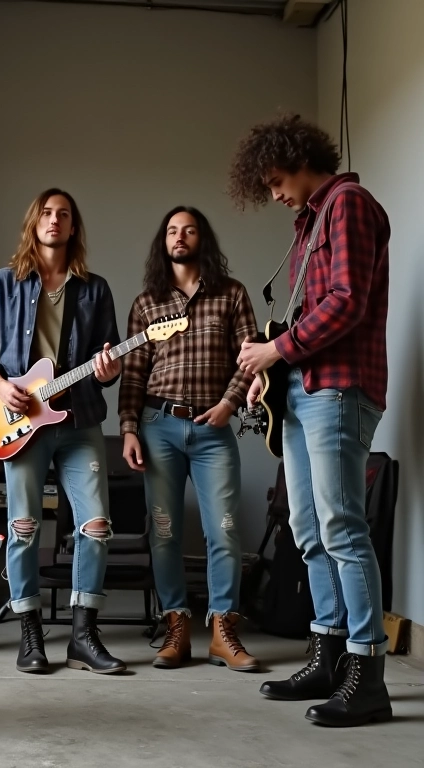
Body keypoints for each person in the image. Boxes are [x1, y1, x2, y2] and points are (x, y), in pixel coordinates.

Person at [230, 113, 392, 727]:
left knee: (342, 527)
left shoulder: (348, 204)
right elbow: (303, 319)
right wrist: (269, 375)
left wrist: (276, 350)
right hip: (303, 391)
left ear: (300, 160)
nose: (274, 194)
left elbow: (347, 302)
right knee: (308, 529)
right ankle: (327, 655)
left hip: (339, 390)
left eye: (276, 181)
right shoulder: (310, 222)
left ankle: (367, 673)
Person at [0, 188, 126, 674]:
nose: (55, 220)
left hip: (80, 419)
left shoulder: (95, 290)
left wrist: (109, 369)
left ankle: (83, 637)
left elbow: (108, 363)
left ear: (73, 228)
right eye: (47, 213)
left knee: (96, 525)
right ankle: (30, 635)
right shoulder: (4, 283)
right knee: (24, 527)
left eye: (64, 215)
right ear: (35, 223)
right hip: (21, 423)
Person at [119, 206, 260, 672]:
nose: (180, 237)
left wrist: (230, 404)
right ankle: (176, 628)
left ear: (203, 239)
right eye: (172, 231)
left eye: (190, 230)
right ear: (164, 242)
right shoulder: (146, 304)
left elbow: (250, 356)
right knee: (164, 532)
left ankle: (223, 631)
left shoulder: (232, 294)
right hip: (157, 426)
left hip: (213, 428)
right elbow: (133, 374)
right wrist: (128, 429)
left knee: (224, 530)